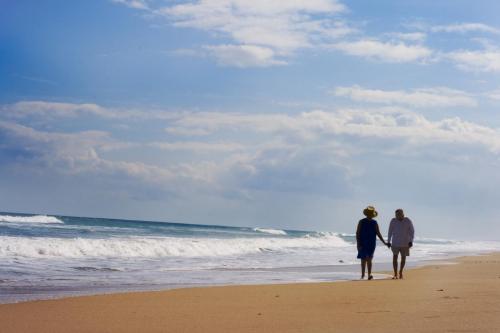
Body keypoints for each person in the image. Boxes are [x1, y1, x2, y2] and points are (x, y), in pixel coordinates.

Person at [356, 206, 389, 280]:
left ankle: (369, 274)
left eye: (371, 214)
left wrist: (384, 242)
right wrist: (358, 243)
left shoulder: (374, 222)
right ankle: (363, 275)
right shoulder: (361, 221)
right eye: (369, 213)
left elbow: (378, 233)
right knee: (363, 259)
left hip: (371, 243)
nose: (370, 215)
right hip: (362, 242)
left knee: (369, 258)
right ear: (367, 214)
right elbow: (357, 233)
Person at [387, 209, 415, 280]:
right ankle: (395, 274)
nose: (398, 216)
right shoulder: (393, 221)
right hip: (395, 242)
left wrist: (411, 241)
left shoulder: (407, 220)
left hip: (405, 243)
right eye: (396, 215)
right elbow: (390, 231)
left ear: (403, 214)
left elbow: (412, 231)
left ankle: (401, 272)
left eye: (399, 214)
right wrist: (388, 241)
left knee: (403, 258)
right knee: (395, 257)